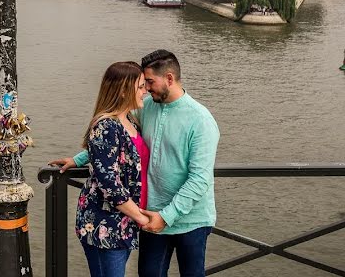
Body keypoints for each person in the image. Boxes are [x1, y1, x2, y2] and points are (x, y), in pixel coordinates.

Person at [50, 50, 219, 277]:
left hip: (190, 219)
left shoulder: (201, 120)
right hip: (150, 213)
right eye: (143, 84)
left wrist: (166, 216)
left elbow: (199, 180)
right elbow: (116, 141)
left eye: (150, 82)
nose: (146, 89)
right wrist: (78, 159)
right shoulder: (146, 107)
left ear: (169, 78)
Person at [75, 61, 151, 276]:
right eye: (141, 86)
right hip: (103, 222)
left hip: (123, 221)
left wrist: (78, 159)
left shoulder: (130, 121)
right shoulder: (105, 125)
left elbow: (111, 156)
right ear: (124, 89)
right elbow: (109, 182)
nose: (145, 91)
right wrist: (141, 217)